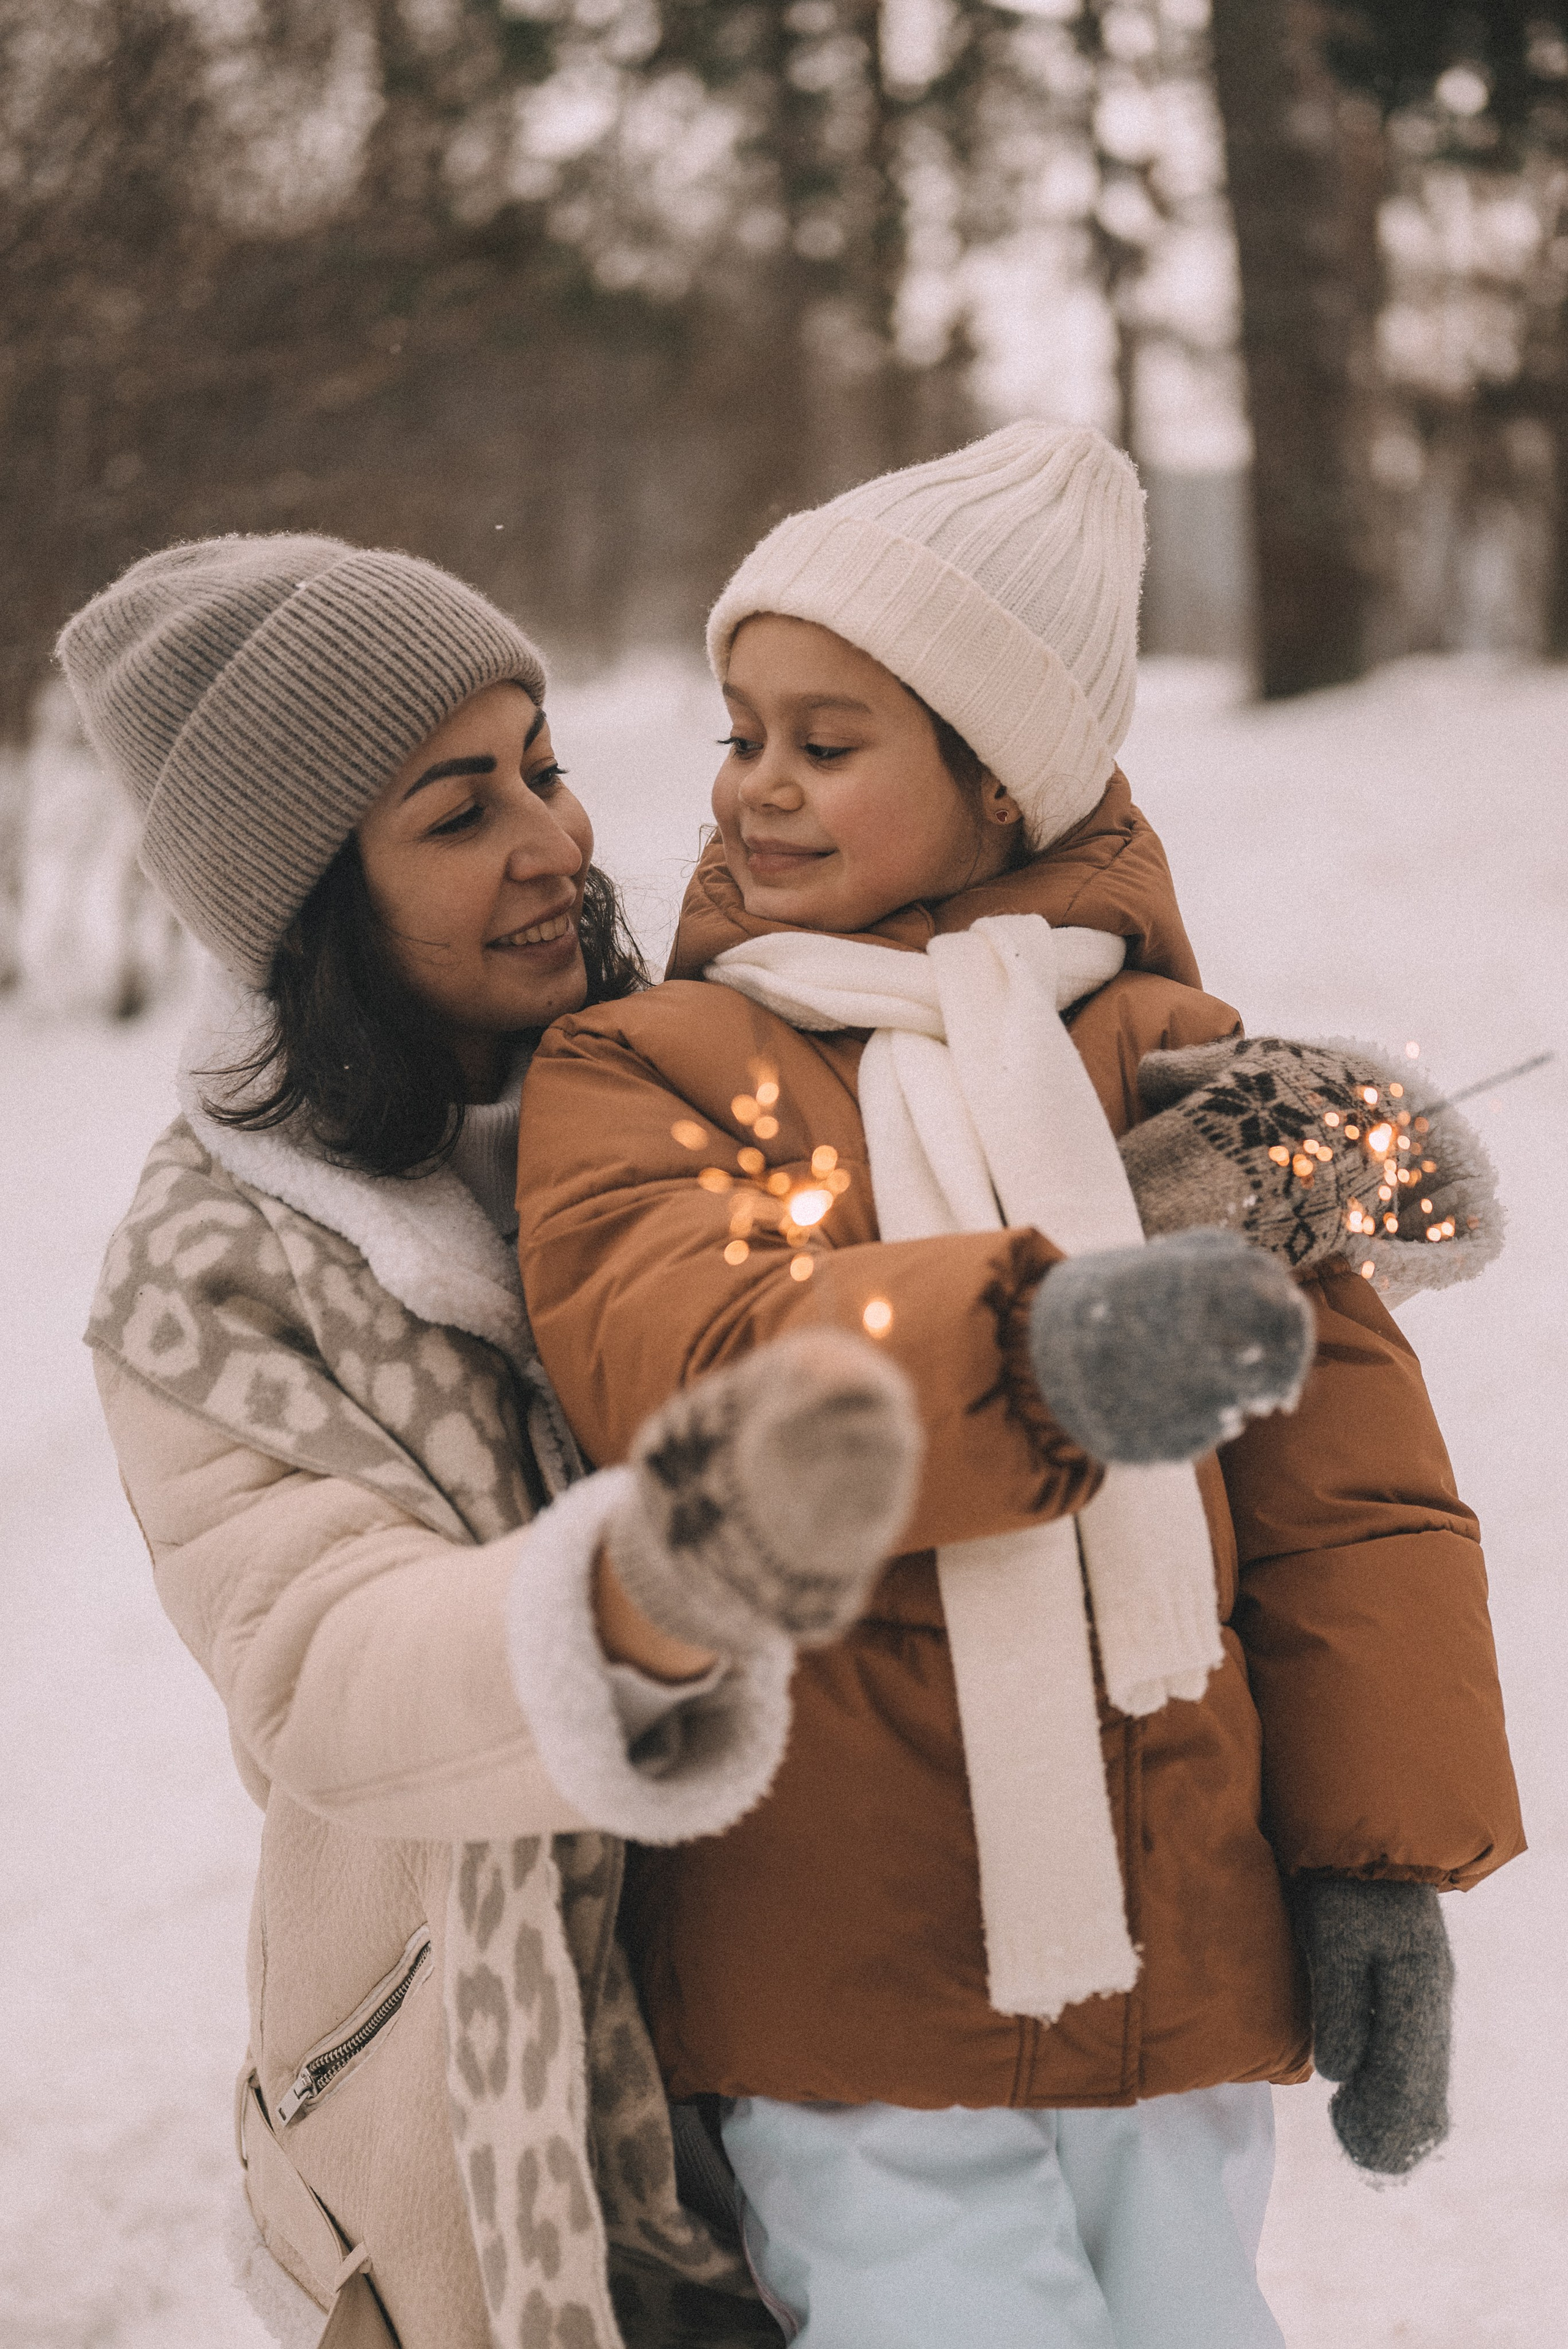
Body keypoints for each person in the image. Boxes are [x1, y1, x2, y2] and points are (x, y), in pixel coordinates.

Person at [513, 424, 1525, 2348]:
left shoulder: (1192, 1077)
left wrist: (1381, 1865)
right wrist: (1032, 1345)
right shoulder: (652, 1068)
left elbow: (1348, 1505)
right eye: (744, 730)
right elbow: (686, 1360)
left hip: (1176, 1952)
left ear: (1000, 780)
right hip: (843, 1973)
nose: (759, 784)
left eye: (830, 739)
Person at [59, 534, 928, 2349]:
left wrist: (1211, 1173)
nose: (557, 841)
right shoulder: (212, 1273)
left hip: (830, 2029)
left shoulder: (695, 1081)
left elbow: (954, 1258)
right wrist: (651, 1582)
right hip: (484, 2106)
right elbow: (324, 1659)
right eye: (461, 813)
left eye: (543, 766)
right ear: (314, 903)